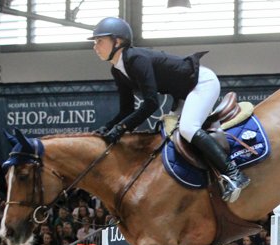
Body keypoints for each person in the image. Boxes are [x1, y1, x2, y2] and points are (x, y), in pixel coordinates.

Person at [88, 17, 249, 202]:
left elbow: (151, 103)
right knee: (166, 135)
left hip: (201, 83)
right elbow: (126, 110)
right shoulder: (117, 70)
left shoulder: (136, 59)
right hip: (183, 94)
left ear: (117, 41)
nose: (95, 46)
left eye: (99, 41)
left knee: (188, 128)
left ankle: (234, 173)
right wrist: (108, 127)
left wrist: (121, 128)